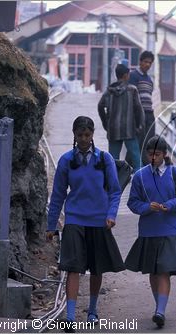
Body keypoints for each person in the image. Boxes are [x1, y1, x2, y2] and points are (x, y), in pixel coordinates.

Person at [46, 116, 124, 332]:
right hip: (74, 220)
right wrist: (51, 225)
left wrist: (111, 215)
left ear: (92, 135)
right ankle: (70, 317)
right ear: (74, 135)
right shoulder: (65, 161)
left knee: (97, 268)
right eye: (80, 135)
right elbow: (58, 194)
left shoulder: (105, 159)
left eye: (87, 135)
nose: (83, 139)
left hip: (99, 221)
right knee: (73, 268)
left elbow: (115, 191)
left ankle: (92, 310)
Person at [125, 136, 176, 328]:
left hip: (170, 228)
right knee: (153, 272)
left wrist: (169, 205)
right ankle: (158, 307)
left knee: (163, 271)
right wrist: (147, 207)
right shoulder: (139, 176)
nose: (153, 158)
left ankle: (160, 311)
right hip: (148, 230)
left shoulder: (175, 173)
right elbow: (132, 202)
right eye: (150, 154)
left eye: (157, 154)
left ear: (165, 154)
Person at [98, 64, 145, 172]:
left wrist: (106, 124)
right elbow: (138, 109)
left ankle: (113, 183)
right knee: (136, 158)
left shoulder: (109, 91)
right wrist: (139, 126)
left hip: (113, 130)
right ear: (126, 75)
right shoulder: (132, 90)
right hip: (129, 130)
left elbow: (100, 106)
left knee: (113, 160)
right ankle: (141, 181)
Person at [129, 51, 155, 155]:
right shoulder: (133, 75)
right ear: (140, 62)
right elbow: (131, 96)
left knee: (150, 141)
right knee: (139, 142)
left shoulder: (149, 79)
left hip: (150, 113)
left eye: (150, 62)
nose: (148, 64)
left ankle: (142, 166)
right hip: (139, 113)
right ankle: (132, 166)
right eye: (145, 62)